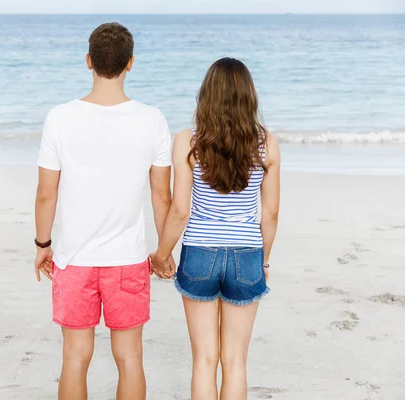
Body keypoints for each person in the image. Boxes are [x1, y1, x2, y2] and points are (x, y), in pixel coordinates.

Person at [33, 22, 174, 400]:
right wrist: (164, 251)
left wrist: (42, 243)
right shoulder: (152, 120)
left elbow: (47, 194)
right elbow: (162, 197)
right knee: (130, 357)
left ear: (88, 61)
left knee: (75, 357)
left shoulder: (60, 118)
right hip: (127, 260)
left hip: (74, 258)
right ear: (130, 63)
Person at [151, 58, 281, 400]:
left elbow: (180, 210)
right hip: (247, 254)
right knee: (236, 361)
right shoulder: (266, 143)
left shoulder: (188, 142)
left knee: (204, 361)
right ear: (248, 97)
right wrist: (263, 261)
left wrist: (162, 255)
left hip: (199, 254)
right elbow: (271, 213)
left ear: (205, 95)